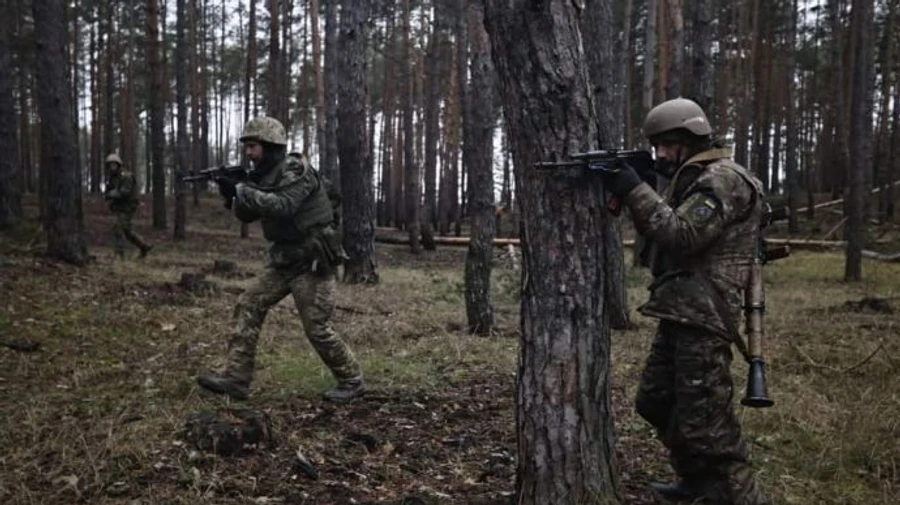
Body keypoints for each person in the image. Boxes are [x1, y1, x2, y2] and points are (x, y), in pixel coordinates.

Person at [599, 98, 771, 505]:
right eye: (656, 146)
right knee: (655, 401)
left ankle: (739, 496)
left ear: (690, 139)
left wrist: (633, 188)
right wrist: (645, 184)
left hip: (707, 316)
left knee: (708, 425)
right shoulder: (692, 178)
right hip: (681, 311)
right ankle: (700, 484)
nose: (659, 154)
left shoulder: (723, 179)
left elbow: (683, 235)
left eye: (666, 145)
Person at [196, 116, 365, 403]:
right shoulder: (260, 176)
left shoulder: (294, 168)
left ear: (272, 146)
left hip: (312, 261)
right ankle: (236, 378)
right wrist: (232, 196)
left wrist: (243, 191)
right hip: (284, 260)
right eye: (246, 147)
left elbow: (283, 206)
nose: (248, 153)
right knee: (248, 303)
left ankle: (352, 380)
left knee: (317, 327)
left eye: (253, 146)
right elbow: (248, 215)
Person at [104, 153, 152, 259]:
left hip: (127, 207)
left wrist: (112, 194)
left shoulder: (126, 176)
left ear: (118, 165)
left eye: (113, 165)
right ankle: (143, 246)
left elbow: (125, 192)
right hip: (120, 207)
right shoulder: (113, 178)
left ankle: (119, 255)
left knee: (118, 229)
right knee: (127, 231)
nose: (111, 167)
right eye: (110, 165)